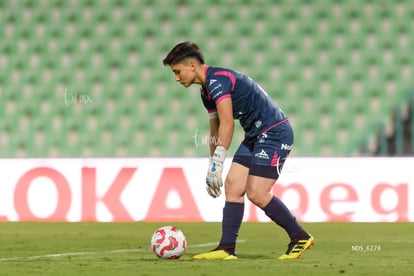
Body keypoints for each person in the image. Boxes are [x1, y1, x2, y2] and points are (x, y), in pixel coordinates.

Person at [162, 41, 314, 260]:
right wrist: (212, 166)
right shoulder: (206, 93)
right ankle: (226, 248)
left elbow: (227, 123)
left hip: (274, 132)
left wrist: (219, 162)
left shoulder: (218, 81)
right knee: (233, 185)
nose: (176, 78)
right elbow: (215, 130)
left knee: (257, 193)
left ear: (192, 66)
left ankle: (299, 236)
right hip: (256, 135)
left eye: (177, 71)